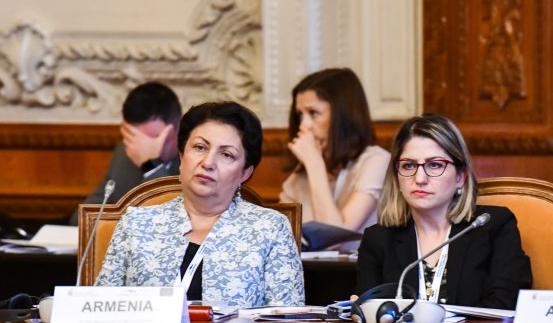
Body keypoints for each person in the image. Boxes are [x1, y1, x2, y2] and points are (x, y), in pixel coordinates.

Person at [96, 101, 304, 308]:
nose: (208, 162)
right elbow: (99, 310)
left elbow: (288, 318)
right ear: (181, 157)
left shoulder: (269, 229)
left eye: (226, 154)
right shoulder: (136, 224)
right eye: (200, 147)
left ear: (245, 173)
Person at [356, 115, 531, 309]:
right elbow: (369, 310)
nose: (419, 178)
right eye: (408, 165)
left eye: (435, 165)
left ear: (460, 176)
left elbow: (504, 305)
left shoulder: (494, 227)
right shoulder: (378, 239)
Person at [280, 68, 390, 248]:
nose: (303, 126)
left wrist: (314, 164)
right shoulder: (297, 179)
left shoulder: (376, 161)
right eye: (300, 115)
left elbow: (333, 238)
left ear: (343, 116)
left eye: (313, 113)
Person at [70, 81, 182, 223]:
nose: (144, 148)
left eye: (153, 138)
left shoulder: (198, 162)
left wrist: (152, 167)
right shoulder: (126, 153)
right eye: (136, 139)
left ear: (180, 126)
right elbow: (81, 220)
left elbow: (176, 223)